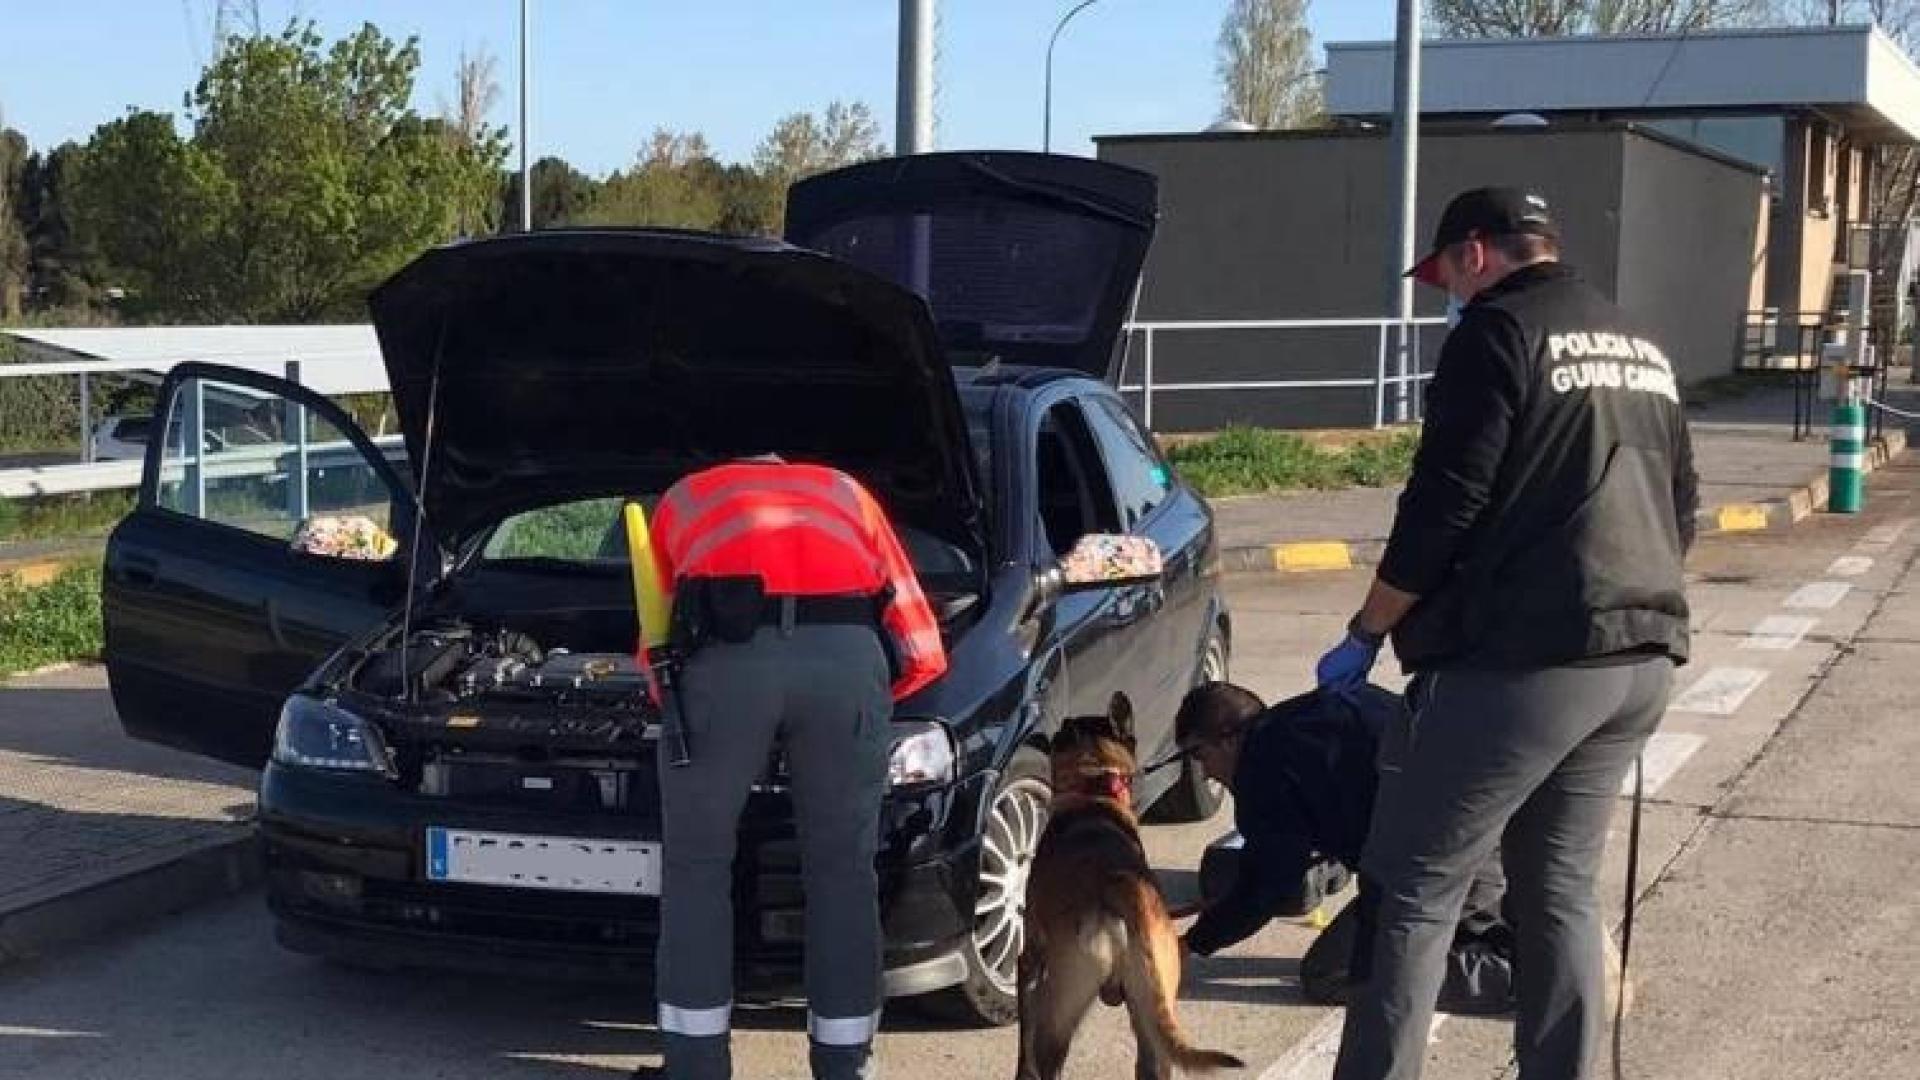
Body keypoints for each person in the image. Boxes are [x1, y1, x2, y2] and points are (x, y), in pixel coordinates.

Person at [1317, 187, 1697, 1080]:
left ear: (1476, 254)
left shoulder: (1496, 334)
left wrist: (1369, 629)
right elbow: (1681, 508)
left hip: (1522, 666)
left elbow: (1444, 506)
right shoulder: (1639, 344)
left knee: (1415, 890)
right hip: (1638, 656)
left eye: (1445, 271)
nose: (1446, 289)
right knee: (1557, 892)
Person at [645, 456, 947, 1080]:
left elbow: (658, 628)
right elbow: (918, 644)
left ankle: (696, 1064)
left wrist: (684, 702)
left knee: (696, 868)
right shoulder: (848, 491)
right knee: (842, 870)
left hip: (725, 666)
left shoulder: (683, 498)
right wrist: (862, 699)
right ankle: (845, 1064)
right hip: (845, 661)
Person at [1172, 681, 1514, 1014]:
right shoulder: (1328, 708)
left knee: (1330, 973)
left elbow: (1269, 888)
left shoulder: (1263, 769)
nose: (1205, 774)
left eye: (1199, 755)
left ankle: (1516, 980)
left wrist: (1189, 944)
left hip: (1443, 871)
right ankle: (1504, 935)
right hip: (1499, 839)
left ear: (1230, 739)